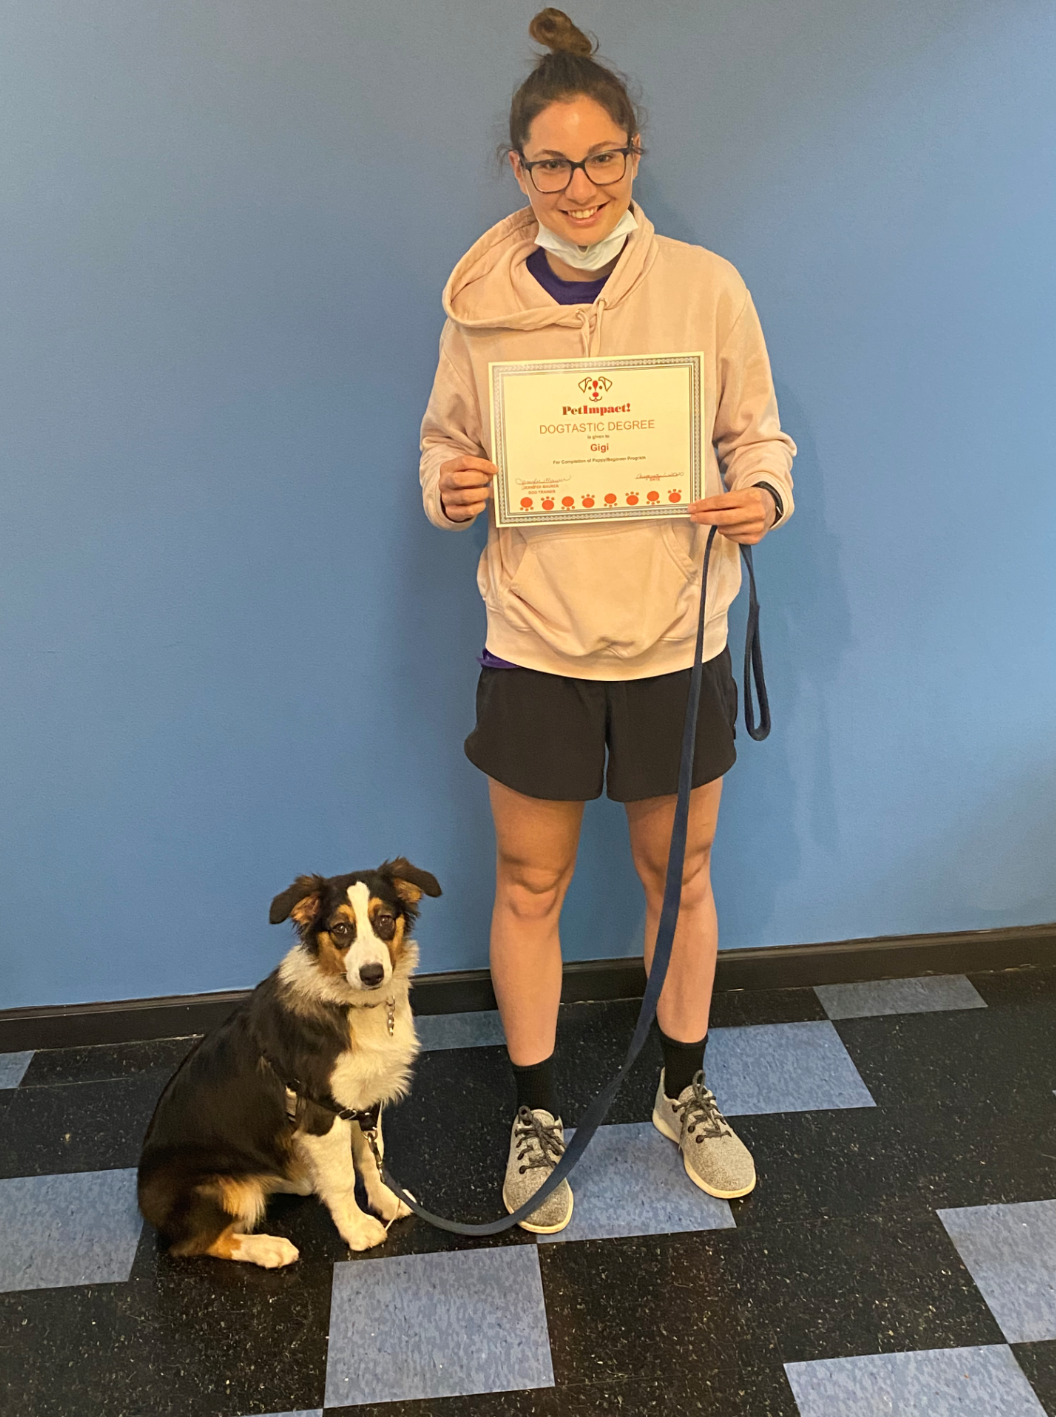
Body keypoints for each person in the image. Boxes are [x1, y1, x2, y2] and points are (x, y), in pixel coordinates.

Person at [419, 8, 795, 1234]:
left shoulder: (706, 286)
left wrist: (764, 493)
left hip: (677, 637)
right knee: (530, 879)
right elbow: (444, 449)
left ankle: (683, 1088)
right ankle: (538, 1113)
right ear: (516, 168)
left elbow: (760, 436)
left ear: (635, 154)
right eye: (552, 164)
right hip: (535, 639)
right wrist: (453, 486)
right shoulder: (476, 302)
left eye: (603, 159)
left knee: (679, 873)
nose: (580, 187)